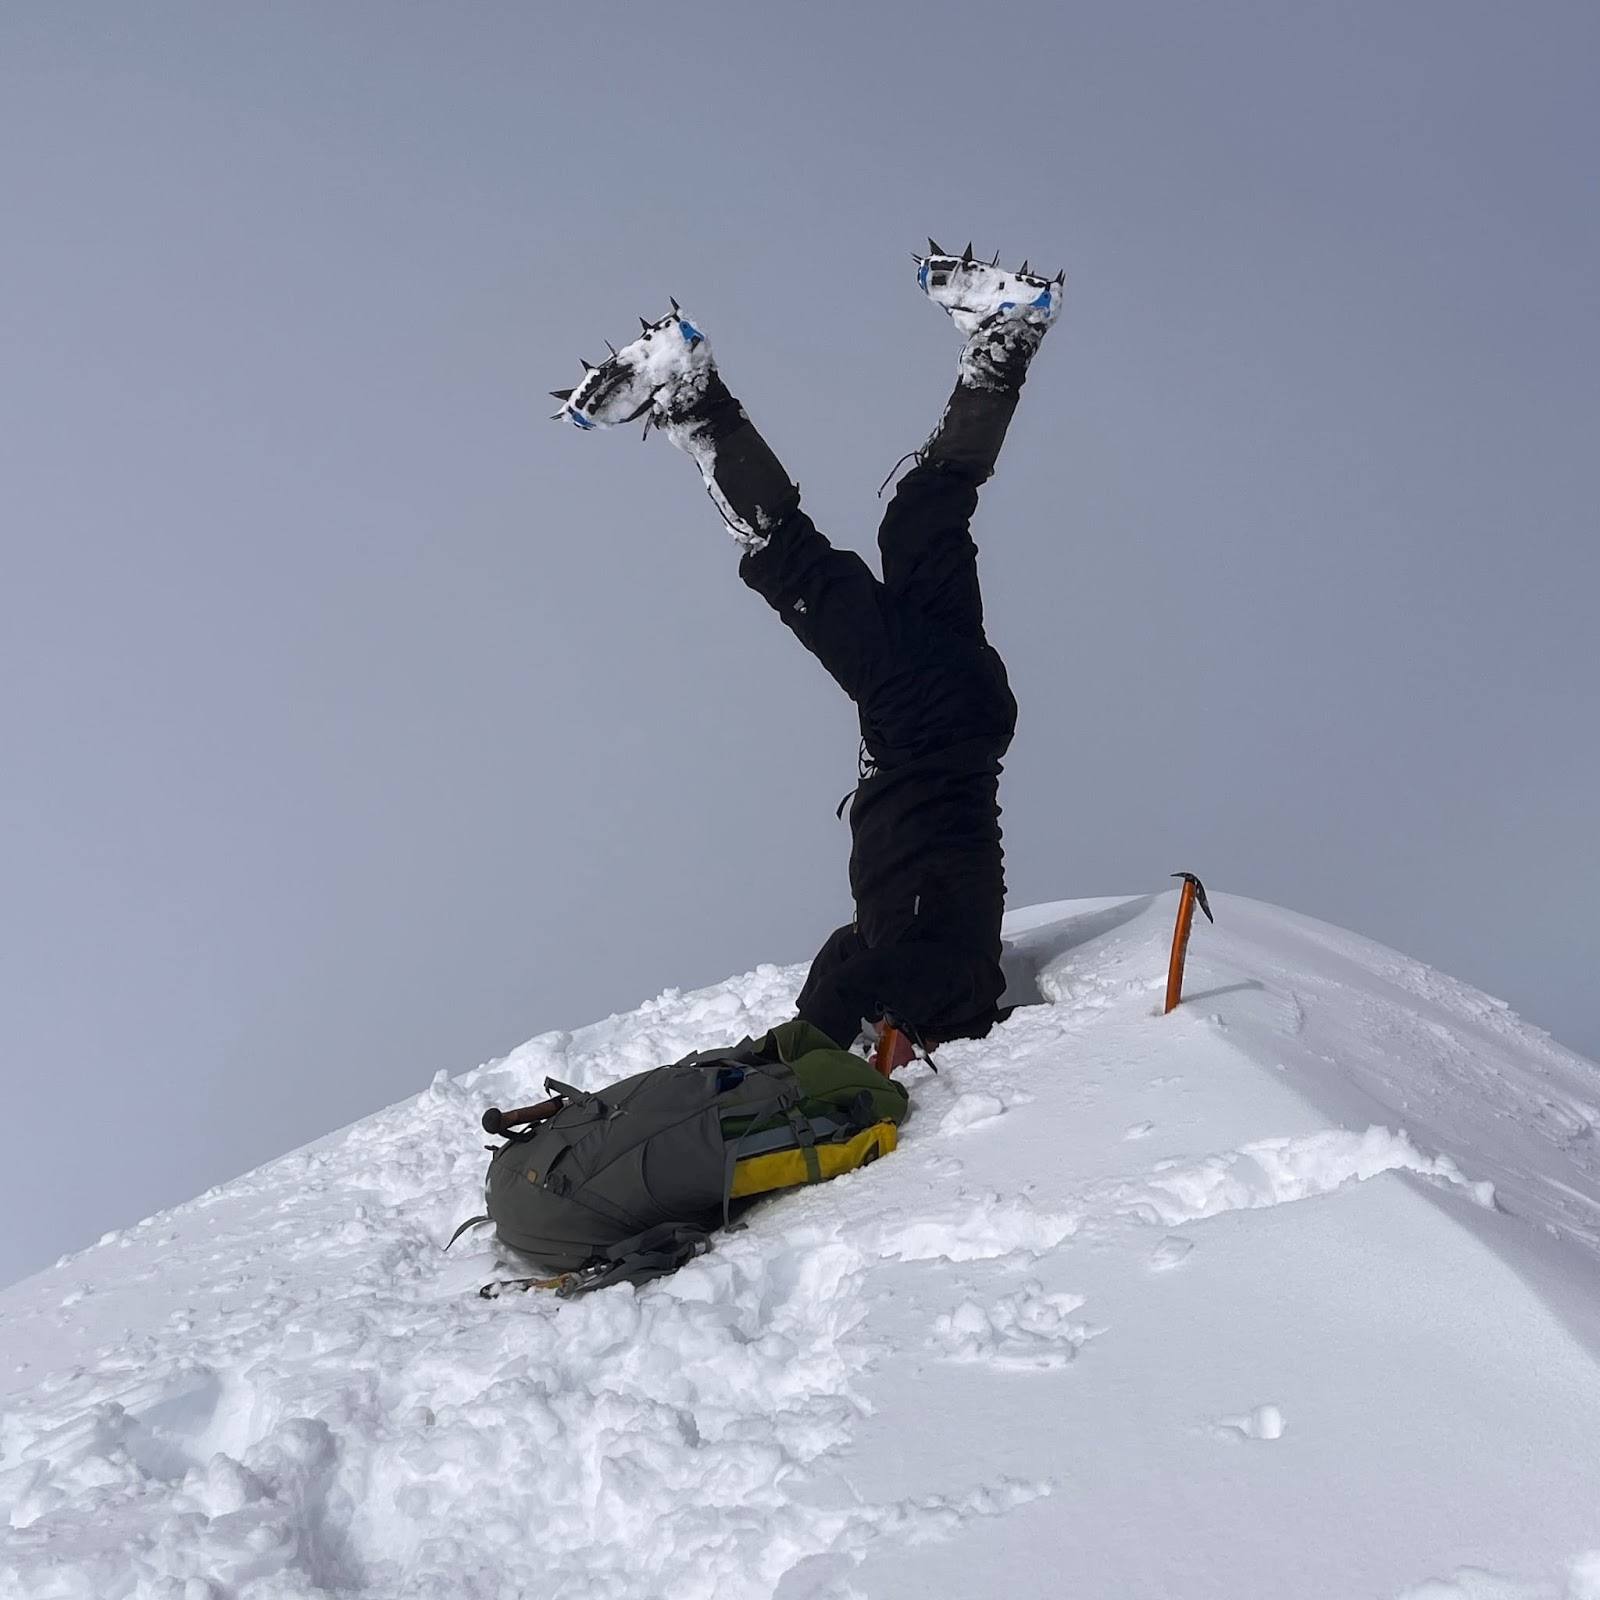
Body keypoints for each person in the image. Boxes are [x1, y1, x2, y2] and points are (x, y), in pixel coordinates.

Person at [553, 246, 1061, 1063]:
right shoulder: (951, 983)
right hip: (922, 721)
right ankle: (691, 394)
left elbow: (843, 962)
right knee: (792, 562)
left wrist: (821, 1018)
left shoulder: (913, 946)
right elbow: (862, 987)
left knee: (923, 516)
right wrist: (800, 1059)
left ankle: (1007, 341)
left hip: (955, 715)